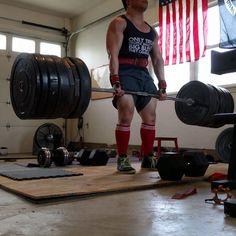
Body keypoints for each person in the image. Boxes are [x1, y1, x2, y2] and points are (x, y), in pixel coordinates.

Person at [106, 0, 167, 174]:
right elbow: (113, 53)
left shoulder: (152, 31)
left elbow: (157, 59)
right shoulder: (119, 23)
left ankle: (148, 157)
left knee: (151, 117)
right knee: (126, 113)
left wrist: (162, 83)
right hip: (125, 71)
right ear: (128, 1)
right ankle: (122, 157)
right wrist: (115, 79)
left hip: (143, 74)